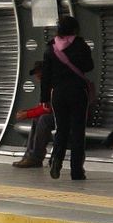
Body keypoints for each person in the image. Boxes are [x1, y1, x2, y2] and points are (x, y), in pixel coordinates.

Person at [41, 15, 94, 180]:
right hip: (78, 92)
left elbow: (46, 76)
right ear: (75, 29)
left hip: (58, 94)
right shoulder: (80, 45)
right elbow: (89, 66)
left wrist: (44, 98)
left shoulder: (50, 48)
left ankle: (56, 160)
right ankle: (77, 170)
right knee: (78, 131)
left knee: (61, 129)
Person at [13, 61, 53, 168]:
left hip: (67, 116)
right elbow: (44, 107)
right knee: (37, 118)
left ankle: (35, 157)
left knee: (43, 119)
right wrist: (28, 112)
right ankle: (30, 156)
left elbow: (48, 109)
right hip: (59, 115)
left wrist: (27, 114)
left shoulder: (53, 85)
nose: (37, 75)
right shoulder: (46, 85)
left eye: (39, 72)